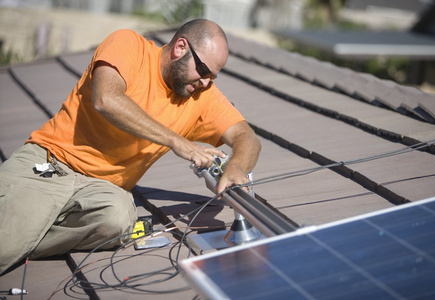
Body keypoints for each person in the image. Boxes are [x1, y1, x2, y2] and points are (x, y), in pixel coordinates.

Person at [0, 19, 261, 274]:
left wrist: (237, 168)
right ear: (181, 47)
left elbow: (246, 137)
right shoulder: (128, 45)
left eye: (213, 77)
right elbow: (106, 99)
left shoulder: (200, 95)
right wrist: (177, 141)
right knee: (4, 246)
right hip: (51, 166)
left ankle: (25, 236)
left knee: (117, 221)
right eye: (203, 71)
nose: (206, 82)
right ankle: (18, 237)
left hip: (102, 192)